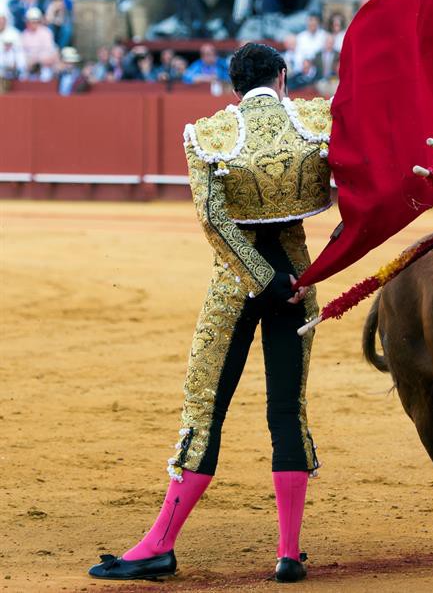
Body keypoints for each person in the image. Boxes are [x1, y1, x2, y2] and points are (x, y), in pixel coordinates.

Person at [87, 42, 332, 584]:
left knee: (205, 406)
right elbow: (361, 192)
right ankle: (288, 554)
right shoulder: (318, 119)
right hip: (298, 281)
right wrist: (316, 269)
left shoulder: (209, 133)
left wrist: (261, 281)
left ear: (234, 85)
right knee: (287, 409)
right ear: (284, 76)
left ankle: (160, 545)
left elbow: (214, 220)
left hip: (237, 285)